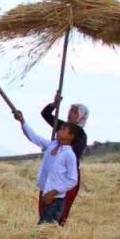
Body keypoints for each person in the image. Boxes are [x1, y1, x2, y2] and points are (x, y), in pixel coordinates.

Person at [12, 109, 78, 225]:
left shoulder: (69, 154)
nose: (59, 130)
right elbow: (34, 137)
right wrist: (22, 121)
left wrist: (53, 192)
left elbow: (73, 180)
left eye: (63, 129)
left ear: (71, 136)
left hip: (55, 199)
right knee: (44, 227)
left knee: (46, 229)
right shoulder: (52, 145)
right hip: (45, 193)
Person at [40, 96, 89, 225]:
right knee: (44, 207)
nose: (70, 114)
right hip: (52, 174)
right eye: (70, 110)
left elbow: (70, 158)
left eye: (74, 112)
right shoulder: (63, 128)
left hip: (65, 176)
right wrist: (55, 104)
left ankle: (56, 238)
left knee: (59, 211)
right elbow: (45, 114)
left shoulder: (80, 136)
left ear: (81, 117)